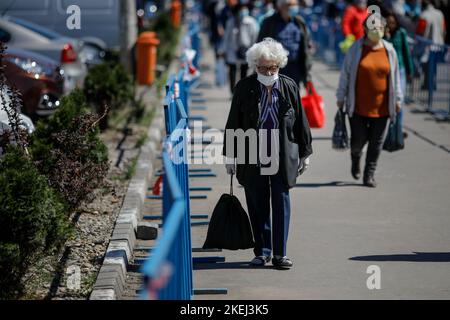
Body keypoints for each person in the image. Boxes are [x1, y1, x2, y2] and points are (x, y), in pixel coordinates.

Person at [223, 38, 312, 268]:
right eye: (263, 68)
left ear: (279, 65)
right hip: (253, 150)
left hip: (283, 151)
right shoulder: (245, 87)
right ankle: (262, 251)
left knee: (281, 199)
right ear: (255, 66)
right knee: (256, 200)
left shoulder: (289, 86)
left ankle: (280, 254)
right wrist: (231, 156)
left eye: (273, 67)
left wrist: (305, 151)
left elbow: (300, 120)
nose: (268, 72)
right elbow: (234, 122)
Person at [336, 14, 403, 188]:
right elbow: (345, 74)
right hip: (357, 106)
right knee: (358, 141)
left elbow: (395, 77)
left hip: (382, 107)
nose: (377, 31)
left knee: (376, 143)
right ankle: (355, 158)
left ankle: (369, 175)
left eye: (380, 28)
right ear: (365, 29)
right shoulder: (356, 49)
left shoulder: (389, 50)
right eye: (373, 28)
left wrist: (398, 99)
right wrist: (340, 96)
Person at [257, 0, 311, 87]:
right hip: (276, 68)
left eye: (295, 5)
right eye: (290, 5)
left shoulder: (299, 22)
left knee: (293, 95)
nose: (294, 7)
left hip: (295, 67)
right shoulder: (269, 22)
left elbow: (306, 43)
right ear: (281, 6)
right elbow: (260, 44)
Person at [385, 11, 414, 137]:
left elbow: (406, 52)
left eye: (393, 22)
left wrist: (410, 70)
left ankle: (399, 128)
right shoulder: (383, 34)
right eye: (388, 23)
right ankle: (388, 127)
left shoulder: (401, 33)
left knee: (399, 100)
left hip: (400, 70)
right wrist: (385, 36)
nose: (391, 25)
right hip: (386, 71)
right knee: (387, 102)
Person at [220, 3, 259, 94]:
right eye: (241, 10)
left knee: (244, 71)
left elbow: (255, 37)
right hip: (232, 50)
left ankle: (242, 91)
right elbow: (226, 37)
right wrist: (223, 50)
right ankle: (232, 91)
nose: (243, 12)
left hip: (246, 49)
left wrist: (254, 51)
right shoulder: (231, 21)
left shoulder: (251, 22)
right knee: (232, 70)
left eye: (245, 10)